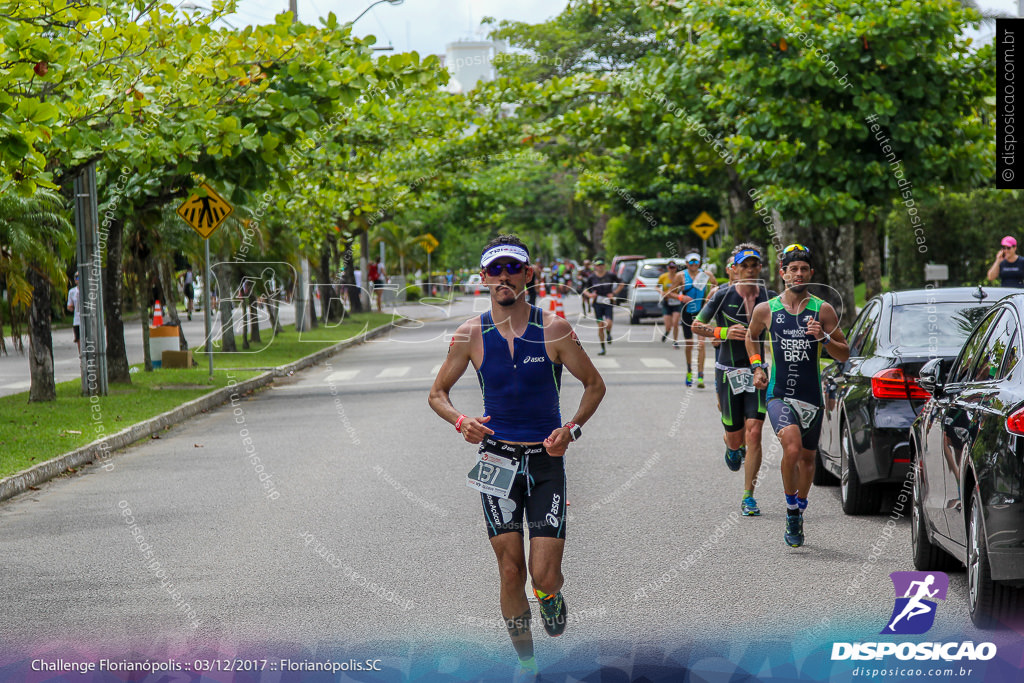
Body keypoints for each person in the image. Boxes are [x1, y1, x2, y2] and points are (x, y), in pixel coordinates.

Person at [428, 235, 606, 680]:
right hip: (496, 461)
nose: (503, 276)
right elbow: (437, 394)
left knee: (544, 576)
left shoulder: (555, 330)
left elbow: (595, 385)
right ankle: (527, 664)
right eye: (495, 269)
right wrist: (460, 421)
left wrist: (571, 429)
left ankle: (549, 596)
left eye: (513, 268)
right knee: (510, 570)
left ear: (529, 275)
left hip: (545, 463)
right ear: (484, 278)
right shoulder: (470, 334)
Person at [745, 244, 850, 547]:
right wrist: (757, 367)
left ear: (811, 273)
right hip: (780, 394)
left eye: (804, 268)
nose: (799, 273)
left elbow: (843, 353)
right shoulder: (766, 310)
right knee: (790, 448)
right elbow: (752, 338)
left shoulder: (823, 309)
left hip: (811, 396)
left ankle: (800, 506)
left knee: (807, 460)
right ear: (783, 273)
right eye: (793, 269)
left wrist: (824, 337)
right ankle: (791, 510)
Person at [691, 244, 776, 516]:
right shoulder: (722, 295)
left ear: (759, 268)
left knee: (755, 432)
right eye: (745, 266)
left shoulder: (769, 298)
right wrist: (723, 331)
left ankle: (748, 496)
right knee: (735, 436)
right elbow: (696, 325)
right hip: (728, 371)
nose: (750, 270)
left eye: (754, 265)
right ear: (735, 270)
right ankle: (731, 447)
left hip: (758, 372)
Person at [674, 253, 714, 387]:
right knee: (689, 344)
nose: (694, 265)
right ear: (686, 263)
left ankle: (701, 376)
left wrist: (710, 297)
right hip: (686, 313)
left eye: (696, 262)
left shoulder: (705, 274)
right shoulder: (680, 276)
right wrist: (681, 298)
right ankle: (689, 371)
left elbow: (716, 285)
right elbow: (669, 292)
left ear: (699, 263)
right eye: (691, 262)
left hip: (702, 313)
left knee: (701, 344)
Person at [583, 259, 624, 356]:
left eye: (601, 265)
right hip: (597, 303)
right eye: (598, 265)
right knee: (601, 326)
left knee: (608, 323)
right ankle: (603, 348)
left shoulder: (610, 275)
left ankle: (609, 333)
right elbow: (585, 290)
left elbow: (621, 284)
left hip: (608, 302)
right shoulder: (592, 277)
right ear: (595, 267)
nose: (600, 267)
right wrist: (590, 295)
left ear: (604, 266)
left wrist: (614, 293)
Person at [656, 261, 684, 348]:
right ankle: (666, 332)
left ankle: (675, 341)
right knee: (668, 326)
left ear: (676, 268)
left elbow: (684, 286)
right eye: (670, 268)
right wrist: (661, 292)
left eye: (674, 268)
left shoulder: (679, 276)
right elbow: (656, 286)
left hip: (676, 302)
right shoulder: (663, 277)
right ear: (668, 268)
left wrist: (680, 288)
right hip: (667, 301)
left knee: (675, 323)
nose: (672, 269)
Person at [67, 272, 80, 354]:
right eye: (76, 278)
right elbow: (69, 306)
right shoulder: (72, 292)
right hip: (77, 319)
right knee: (79, 340)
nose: (77, 280)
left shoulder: (88, 290)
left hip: (87, 319)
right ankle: (81, 356)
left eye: (79, 277)